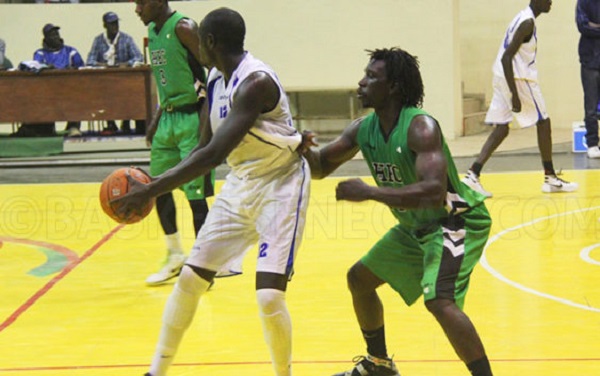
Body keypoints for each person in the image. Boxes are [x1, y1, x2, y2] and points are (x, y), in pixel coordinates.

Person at [115, 6, 309, 375]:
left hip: (280, 185)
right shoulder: (217, 81)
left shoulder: (256, 82)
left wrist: (151, 189)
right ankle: (155, 371)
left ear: (209, 42)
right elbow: (204, 149)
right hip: (241, 184)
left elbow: (214, 154)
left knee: (268, 295)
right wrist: (157, 183)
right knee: (190, 279)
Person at [300, 47, 493, 376]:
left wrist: (370, 192)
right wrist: (294, 143)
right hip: (416, 227)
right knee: (359, 279)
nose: (361, 82)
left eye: (372, 77)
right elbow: (319, 166)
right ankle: (378, 365)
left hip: (453, 220)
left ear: (393, 87)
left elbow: (433, 192)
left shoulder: (420, 128)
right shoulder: (364, 128)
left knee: (439, 301)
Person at [134, 0, 216, 286]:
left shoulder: (184, 28)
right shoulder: (154, 33)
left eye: (141, 3)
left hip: (191, 119)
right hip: (167, 120)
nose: (137, 10)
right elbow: (168, 81)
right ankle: (174, 256)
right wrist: (156, 118)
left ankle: (204, 269)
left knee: (195, 197)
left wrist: (207, 126)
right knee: (158, 188)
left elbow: (209, 75)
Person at [461, 0, 578, 197]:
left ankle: (473, 174)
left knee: (502, 128)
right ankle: (550, 178)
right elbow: (507, 57)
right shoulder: (527, 23)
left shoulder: (522, 16)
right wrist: (515, 95)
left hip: (500, 76)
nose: (551, 2)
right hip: (517, 78)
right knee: (543, 122)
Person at [87, 11, 145, 135]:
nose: (115, 26)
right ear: (105, 25)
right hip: (105, 82)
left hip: (124, 81)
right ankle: (110, 123)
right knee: (104, 92)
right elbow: (90, 61)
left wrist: (126, 64)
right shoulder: (98, 40)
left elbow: (138, 57)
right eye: (111, 24)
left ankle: (126, 120)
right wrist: (102, 65)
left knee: (130, 91)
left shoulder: (126, 39)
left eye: (116, 23)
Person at [31, 23, 85, 137]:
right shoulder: (40, 53)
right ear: (46, 38)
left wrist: (73, 69)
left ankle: (73, 127)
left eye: (57, 34)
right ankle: (48, 128)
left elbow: (82, 67)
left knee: (78, 94)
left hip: (69, 89)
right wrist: (47, 67)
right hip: (48, 90)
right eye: (52, 35)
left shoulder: (71, 51)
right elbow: (36, 66)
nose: (55, 37)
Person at [576, 0, 600, 159]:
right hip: (590, 61)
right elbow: (583, 26)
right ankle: (592, 143)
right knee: (591, 106)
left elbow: (589, 27)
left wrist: (595, 26)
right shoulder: (583, 2)